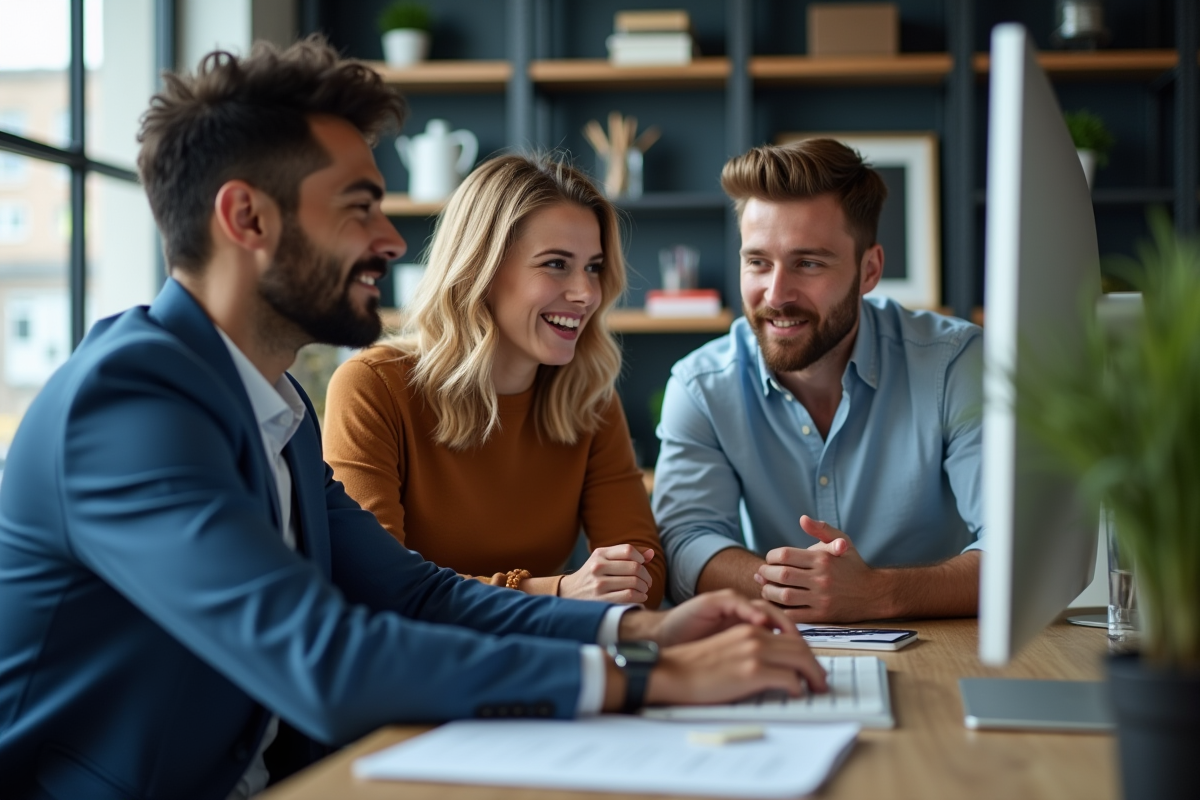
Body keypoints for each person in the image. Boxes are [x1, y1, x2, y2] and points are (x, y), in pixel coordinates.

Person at [0, 40, 827, 800]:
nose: (393, 240)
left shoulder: (272, 405)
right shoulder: (129, 402)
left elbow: (414, 593)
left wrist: (643, 629)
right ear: (246, 219)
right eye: (358, 208)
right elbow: (323, 653)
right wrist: (650, 679)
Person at [654, 138, 983, 622]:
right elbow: (686, 542)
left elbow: (1019, 550)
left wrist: (879, 593)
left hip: (946, 650)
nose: (777, 293)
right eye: (758, 262)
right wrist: (794, 587)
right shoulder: (702, 385)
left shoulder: (956, 363)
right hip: (780, 646)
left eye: (808, 263)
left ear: (868, 270)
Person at [323, 154, 665, 607]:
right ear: (480, 270)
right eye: (556, 264)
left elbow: (646, 574)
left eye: (594, 267)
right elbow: (372, 585)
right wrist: (555, 590)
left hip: (543, 653)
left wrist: (603, 584)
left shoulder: (588, 399)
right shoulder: (373, 387)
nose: (586, 293)